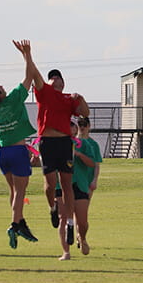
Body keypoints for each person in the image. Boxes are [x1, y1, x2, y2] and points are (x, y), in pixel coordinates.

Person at [25, 40, 90, 246]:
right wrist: (27, 55)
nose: (57, 80)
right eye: (53, 78)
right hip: (47, 143)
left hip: (63, 144)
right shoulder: (43, 93)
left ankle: (70, 223)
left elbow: (85, 113)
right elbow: (34, 74)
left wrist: (82, 99)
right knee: (50, 185)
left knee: (67, 184)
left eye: (59, 78)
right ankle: (53, 208)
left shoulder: (67, 99)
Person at [0, 39, 39, 249]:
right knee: (20, 192)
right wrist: (27, 54)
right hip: (17, 152)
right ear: (0, 94)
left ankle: (20, 222)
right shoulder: (14, 99)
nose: (3, 86)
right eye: (0, 87)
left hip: (2, 153)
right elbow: (30, 77)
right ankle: (15, 225)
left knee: (13, 192)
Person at [55, 120, 96, 260]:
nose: (70, 128)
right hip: (62, 186)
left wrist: (78, 155)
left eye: (73, 126)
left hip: (79, 184)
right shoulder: (56, 145)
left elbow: (92, 163)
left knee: (82, 221)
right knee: (64, 219)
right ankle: (66, 252)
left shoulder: (83, 144)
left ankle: (82, 238)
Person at [73, 116, 102, 256]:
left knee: (83, 213)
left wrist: (95, 180)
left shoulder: (93, 144)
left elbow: (96, 165)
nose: (82, 127)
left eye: (85, 124)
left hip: (87, 182)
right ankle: (78, 236)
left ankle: (81, 236)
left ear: (89, 126)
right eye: (80, 124)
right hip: (74, 180)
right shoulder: (73, 142)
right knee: (73, 212)